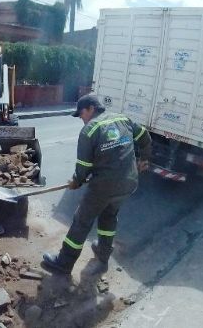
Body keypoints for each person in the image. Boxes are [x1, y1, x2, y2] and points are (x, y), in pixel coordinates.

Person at [41, 94, 152, 274]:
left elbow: (83, 167)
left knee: (82, 221)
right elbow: (144, 136)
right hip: (129, 182)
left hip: (104, 186)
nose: (81, 119)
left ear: (91, 108)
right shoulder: (123, 119)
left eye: (81, 114)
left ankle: (64, 263)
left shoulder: (90, 130)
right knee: (109, 215)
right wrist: (144, 159)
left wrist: (76, 182)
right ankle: (103, 253)